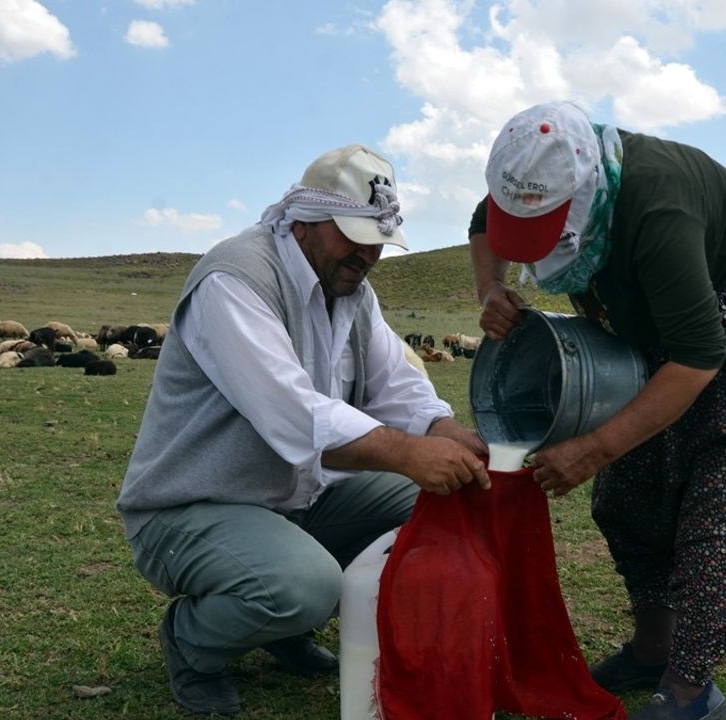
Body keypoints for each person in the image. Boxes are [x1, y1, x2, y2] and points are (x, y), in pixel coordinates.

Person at [468, 102, 726, 720]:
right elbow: (484, 225)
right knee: (629, 489)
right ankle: (653, 646)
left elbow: (695, 357)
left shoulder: (658, 204)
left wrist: (594, 446)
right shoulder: (528, 177)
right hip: (667, 290)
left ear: (582, 195)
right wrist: (491, 288)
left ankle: (689, 687)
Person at [119, 144, 491, 716]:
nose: (367, 252)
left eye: (377, 239)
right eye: (353, 234)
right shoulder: (236, 279)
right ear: (305, 220)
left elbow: (394, 382)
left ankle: (281, 629)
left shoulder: (351, 291)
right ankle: (192, 641)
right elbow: (293, 414)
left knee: (435, 500)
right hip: (190, 507)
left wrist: (443, 428)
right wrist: (408, 451)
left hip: (291, 497)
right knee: (306, 587)